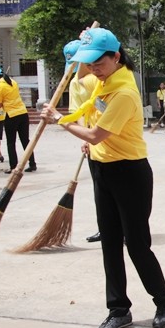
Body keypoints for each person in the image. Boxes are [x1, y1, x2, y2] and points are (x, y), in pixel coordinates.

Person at [41, 28, 165, 328]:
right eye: (89, 64)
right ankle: (118, 309)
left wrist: (60, 121)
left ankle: (163, 300)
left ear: (116, 57)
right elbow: (90, 114)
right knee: (110, 243)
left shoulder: (124, 92)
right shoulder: (105, 82)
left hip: (130, 173)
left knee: (137, 244)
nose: (92, 70)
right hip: (102, 169)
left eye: (98, 63)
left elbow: (97, 133)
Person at [65, 39, 102, 244]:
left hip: (110, 136)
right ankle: (105, 226)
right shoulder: (76, 83)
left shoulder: (102, 80)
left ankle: (124, 227)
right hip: (93, 140)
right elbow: (77, 111)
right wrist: (84, 134)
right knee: (100, 188)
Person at [0, 66, 37, 174]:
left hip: (11, 115)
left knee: (11, 142)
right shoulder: (13, 82)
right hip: (23, 113)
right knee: (25, 140)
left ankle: (13, 166)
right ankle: (32, 163)